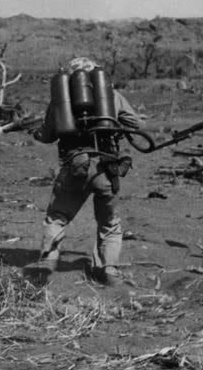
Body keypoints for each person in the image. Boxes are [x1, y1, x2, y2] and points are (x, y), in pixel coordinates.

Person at [28, 57, 143, 286]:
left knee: (57, 216)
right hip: (106, 168)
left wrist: (36, 132)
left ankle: (47, 265)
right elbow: (135, 123)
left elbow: (48, 135)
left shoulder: (62, 99)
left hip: (74, 167)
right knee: (109, 223)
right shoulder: (109, 96)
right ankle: (108, 271)